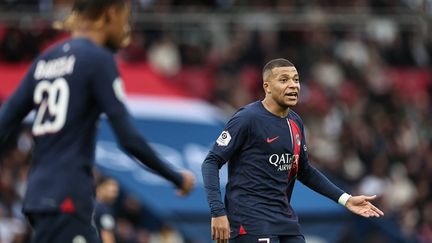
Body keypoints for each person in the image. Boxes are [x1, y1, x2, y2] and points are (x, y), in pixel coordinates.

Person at [0, 0, 195, 242]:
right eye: (126, 16)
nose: (127, 26)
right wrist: (176, 176)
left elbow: (4, 123)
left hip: (39, 196)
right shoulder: (97, 59)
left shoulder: (45, 60)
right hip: (67, 197)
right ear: (111, 12)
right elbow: (129, 139)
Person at [201, 58, 384, 243]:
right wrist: (217, 212)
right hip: (250, 220)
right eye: (284, 80)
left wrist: (345, 199)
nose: (293, 85)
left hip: (284, 219)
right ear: (267, 86)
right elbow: (211, 162)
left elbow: (304, 170)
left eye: (296, 80)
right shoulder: (247, 119)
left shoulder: (295, 122)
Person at [94, 177, 119, 243]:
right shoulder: (104, 209)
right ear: (100, 188)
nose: (115, 193)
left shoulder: (87, 202)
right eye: (111, 185)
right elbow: (107, 236)